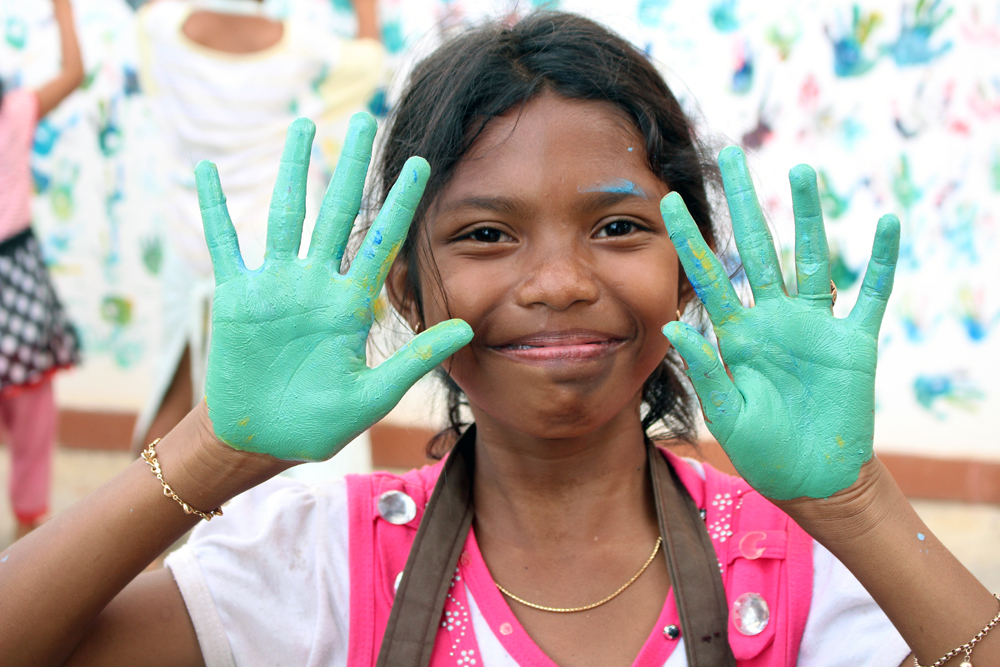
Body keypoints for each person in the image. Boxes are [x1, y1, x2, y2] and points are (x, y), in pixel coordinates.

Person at [0, 11, 998, 667]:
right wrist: (214, 450)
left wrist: (856, 503)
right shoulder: (319, 560)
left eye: (617, 227)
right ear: (405, 282)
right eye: (485, 234)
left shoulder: (796, 563)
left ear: (687, 268)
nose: (560, 282)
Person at [131, 0, 383, 453]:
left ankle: (140, 512)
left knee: (176, 378)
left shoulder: (159, 27)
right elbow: (370, 64)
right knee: (286, 387)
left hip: (193, 233)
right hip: (275, 238)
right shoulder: (303, 46)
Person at [0, 0, 83, 540]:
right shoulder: (17, 108)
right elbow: (75, 72)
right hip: (18, 278)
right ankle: (30, 519)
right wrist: (63, 13)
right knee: (32, 409)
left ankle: (31, 520)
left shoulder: (17, 108)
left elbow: (73, 75)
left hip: (16, 274)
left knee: (32, 408)